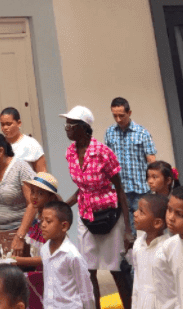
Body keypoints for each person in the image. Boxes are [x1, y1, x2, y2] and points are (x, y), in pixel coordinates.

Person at [60, 106, 133, 309]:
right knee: (88, 270)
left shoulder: (102, 152)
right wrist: (63, 205)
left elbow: (119, 189)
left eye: (70, 125)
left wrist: (127, 229)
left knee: (116, 270)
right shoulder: (70, 153)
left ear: (83, 128)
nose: (66, 129)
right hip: (86, 216)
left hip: (110, 215)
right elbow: (82, 189)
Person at [103, 97, 156, 235]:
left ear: (129, 113)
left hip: (141, 189)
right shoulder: (109, 133)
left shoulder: (142, 133)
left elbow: (152, 160)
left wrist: (155, 181)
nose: (118, 119)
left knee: (146, 226)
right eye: (115, 116)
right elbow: (107, 160)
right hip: (120, 189)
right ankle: (130, 255)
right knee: (126, 229)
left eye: (122, 115)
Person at [40, 201, 95, 309]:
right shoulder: (44, 250)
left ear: (64, 226)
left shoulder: (72, 255)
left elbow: (86, 291)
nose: (43, 225)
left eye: (48, 221)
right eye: (42, 220)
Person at [12, 172, 62, 271]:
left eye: (40, 193)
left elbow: (49, 258)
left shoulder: (52, 223)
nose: (34, 196)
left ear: (51, 197)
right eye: (33, 192)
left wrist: (18, 260)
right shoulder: (36, 220)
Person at [131, 193, 171, 309]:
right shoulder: (138, 245)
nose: (135, 213)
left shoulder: (169, 249)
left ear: (157, 223)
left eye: (141, 212)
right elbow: (137, 282)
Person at [0, 108, 47, 174]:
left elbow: (42, 173)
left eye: (9, 124)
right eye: (2, 124)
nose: (5, 128)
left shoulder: (31, 144)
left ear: (19, 123)